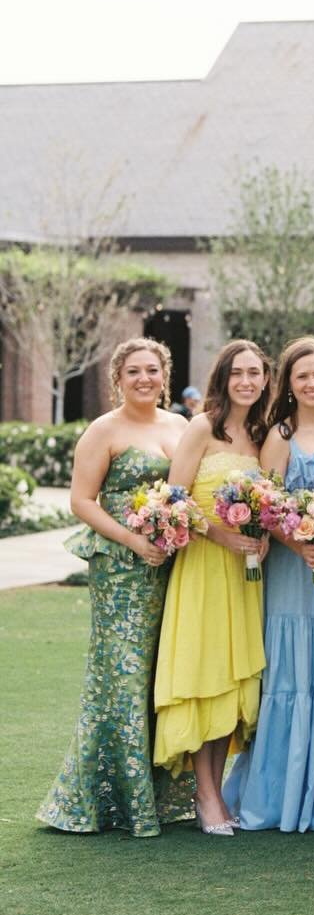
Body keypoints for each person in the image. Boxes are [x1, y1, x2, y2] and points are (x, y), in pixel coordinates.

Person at [37, 338, 196, 836]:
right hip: (122, 571)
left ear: (165, 375)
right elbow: (82, 501)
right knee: (122, 675)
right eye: (134, 371)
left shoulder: (182, 426)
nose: (144, 378)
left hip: (173, 566)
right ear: (118, 379)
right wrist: (133, 541)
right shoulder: (103, 430)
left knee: (162, 672)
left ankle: (163, 794)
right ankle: (117, 801)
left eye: (152, 369)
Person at [223, 336, 314, 833]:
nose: (313, 383)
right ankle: (282, 794)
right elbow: (266, 507)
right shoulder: (281, 435)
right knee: (295, 671)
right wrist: (300, 545)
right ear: (289, 385)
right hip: (294, 568)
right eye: (302, 376)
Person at [152, 339, 271, 836]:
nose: (246, 381)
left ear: (265, 380)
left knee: (232, 679)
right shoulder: (202, 427)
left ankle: (217, 789)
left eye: (255, 373)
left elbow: (270, 501)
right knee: (206, 674)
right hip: (204, 566)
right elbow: (174, 498)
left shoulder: (263, 433)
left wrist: (262, 535)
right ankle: (204, 795)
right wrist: (222, 535)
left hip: (245, 574)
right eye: (237, 372)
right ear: (223, 377)